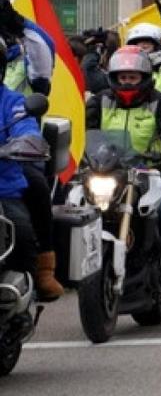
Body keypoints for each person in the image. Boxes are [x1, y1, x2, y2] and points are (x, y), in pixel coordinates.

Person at [85, 45, 161, 295]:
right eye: (123, 77)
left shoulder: (159, 101)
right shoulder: (99, 101)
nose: (127, 82)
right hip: (106, 172)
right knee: (75, 208)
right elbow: (83, 130)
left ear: (144, 78)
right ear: (114, 77)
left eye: (132, 77)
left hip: (146, 171)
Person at [0, 39, 57, 301]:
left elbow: (27, 129)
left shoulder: (12, 102)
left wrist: (20, 143)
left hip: (4, 188)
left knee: (20, 232)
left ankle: (34, 281)